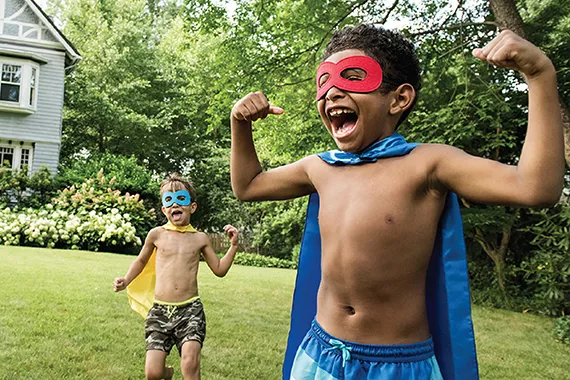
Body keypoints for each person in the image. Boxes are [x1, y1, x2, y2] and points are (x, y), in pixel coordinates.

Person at [230, 24, 564, 379]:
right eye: (324, 83)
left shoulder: (428, 164)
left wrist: (540, 74)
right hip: (319, 353)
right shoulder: (320, 168)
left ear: (399, 99)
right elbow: (248, 186)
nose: (331, 92)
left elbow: (536, 188)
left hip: (398, 364)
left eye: (353, 78)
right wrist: (240, 125)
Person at [114, 173, 239, 380]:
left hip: (190, 311)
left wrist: (233, 246)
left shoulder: (200, 239)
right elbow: (141, 261)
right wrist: (126, 280)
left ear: (192, 207)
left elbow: (219, 269)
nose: (175, 205)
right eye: (168, 201)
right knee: (153, 373)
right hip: (160, 311)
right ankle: (168, 373)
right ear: (164, 209)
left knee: (190, 363)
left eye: (181, 199)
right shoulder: (156, 235)